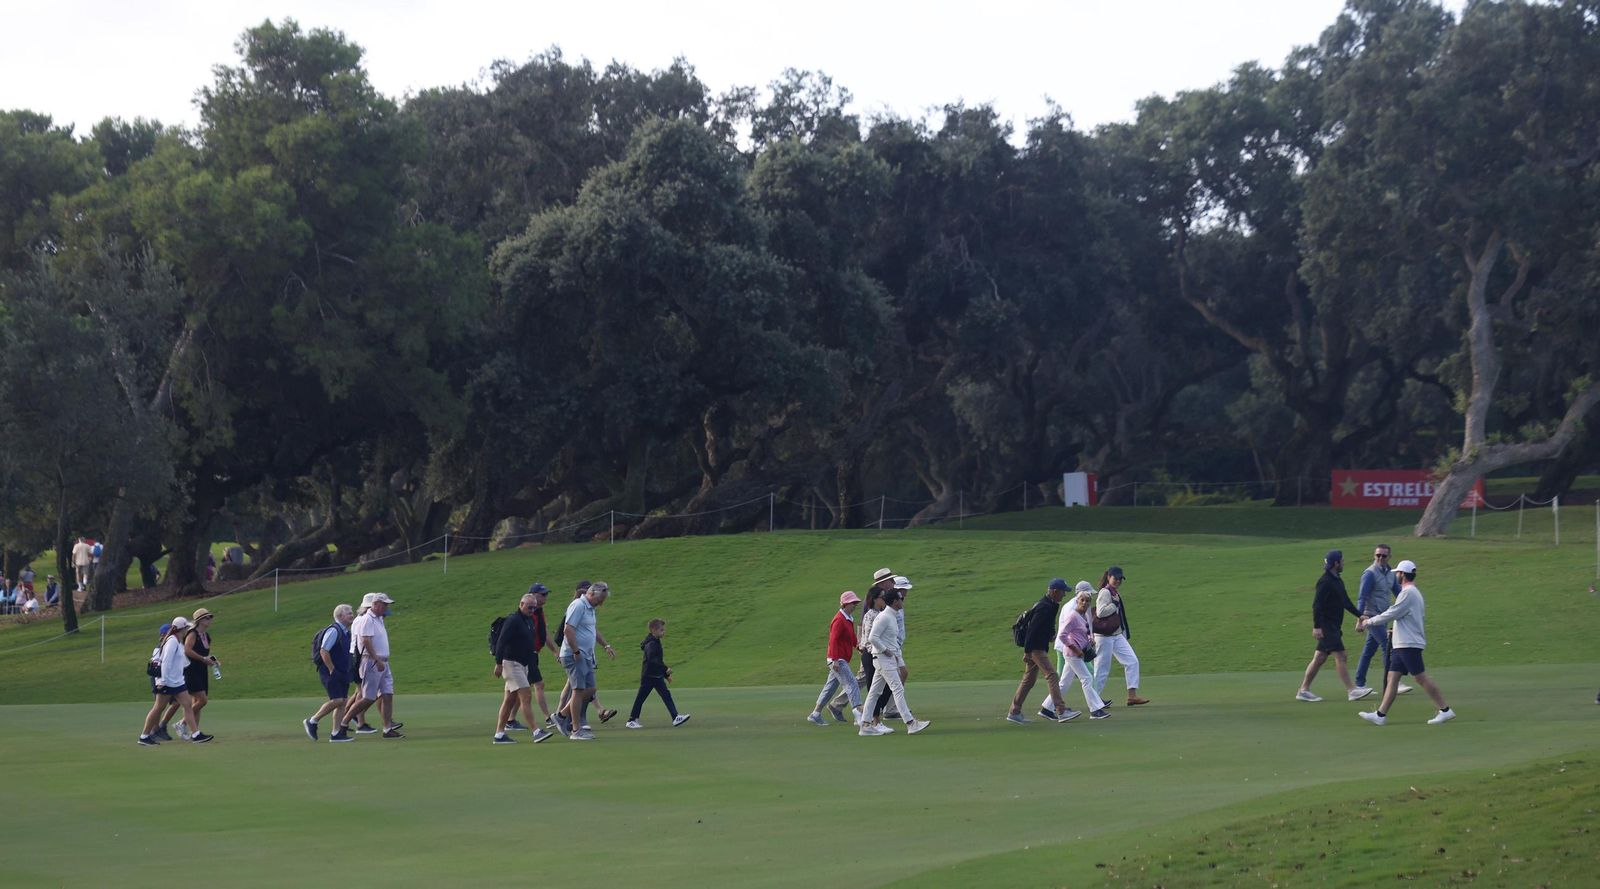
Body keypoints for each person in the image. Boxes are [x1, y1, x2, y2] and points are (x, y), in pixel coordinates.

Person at [1356, 560, 1455, 726]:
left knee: (1420, 678)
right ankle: (1380, 715)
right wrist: (1395, 631)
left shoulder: (1408, 593)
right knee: (1392, 677)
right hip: (1401, 642)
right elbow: (1406, 617)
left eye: (1398, 573)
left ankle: (1445, 710)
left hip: (1408, 643)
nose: (1396, 576)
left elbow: (1392, 613)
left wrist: (1369, 622)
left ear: (1402, 574)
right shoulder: (1411, 593)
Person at [1295, 550, 1371, 702]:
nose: (1344, 563)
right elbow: (1317, 605)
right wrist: (1317, 626)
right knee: (1341, 655)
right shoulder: (1325, 582)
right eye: (1342, 561)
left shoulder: (1337, 580)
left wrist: (1359, 615)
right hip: (1326, 625)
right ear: (1336, 563)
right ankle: (1351, 690)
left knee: (1320, 657)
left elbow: (1345, 601)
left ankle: (1303, 690)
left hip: (1334, 625)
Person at [491, 586, 557, 744]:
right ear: (521, 604)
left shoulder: (529, 619)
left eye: (534, 607)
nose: (532, 610)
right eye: (529, 607)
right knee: (526, 696)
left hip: (522, 664)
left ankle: (499, 735)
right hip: (511, 663)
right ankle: (536, 731)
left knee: (509, 700)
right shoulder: (513, 620)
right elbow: (501, 641)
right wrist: (498, 664)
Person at [859, 590, 929, 736]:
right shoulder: (884, 617)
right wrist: (886, 651)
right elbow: (872, 637)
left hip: (886, 659)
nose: (902, 600)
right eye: (900, 598)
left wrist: (897, 658)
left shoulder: (891, 616)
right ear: (895, 601)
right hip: (883, 659)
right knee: (897, 689)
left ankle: (865, 725)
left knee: (874, 692)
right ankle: (911, 723)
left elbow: (891, 640)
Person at [1007, 578, 1077, 724]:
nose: (1064, 595)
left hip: (1037, 646)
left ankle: (1014, 711)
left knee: (1029, 680)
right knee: (1052, 675)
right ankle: (1061, 710)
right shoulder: (1045, 607)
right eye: (1063, 591)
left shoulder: (1050, 605)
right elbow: (1032, 631)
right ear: (1054, 591)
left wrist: (1050, 634)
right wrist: (1027, 652)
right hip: (1035, 648)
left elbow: (1044, 626)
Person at [551, 580, 620, 729]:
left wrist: (606, 645)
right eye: (599, 600)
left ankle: (561, 716)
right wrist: (576, 651)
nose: (600, 604)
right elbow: (568, 630)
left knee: (591, 689)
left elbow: (592, 630)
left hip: (586, 656)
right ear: (590, 593)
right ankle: (576, 728)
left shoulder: (590, 608)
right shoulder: (578, 606)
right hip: (574, 655)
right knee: (578, 690)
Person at [139, 617, 213, 745]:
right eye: (186, 628)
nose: (187, 630)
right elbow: (166, 662)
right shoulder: (172, 641)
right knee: (158, 708)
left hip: (177, 682)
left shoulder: (178, 642)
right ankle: (144, 736)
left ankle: (196, 734)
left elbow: (181, 662)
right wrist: (164, 680)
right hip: (167, 682)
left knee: (188, 705)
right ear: (181, 629)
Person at [1041, 584, 1110, 720]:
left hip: (1077, 652)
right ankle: (1095, 710)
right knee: (1087, 678)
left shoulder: (1082, 615)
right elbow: (1062, 635)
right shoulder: (1072, 615)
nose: (1084, 603)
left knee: (1064, 682)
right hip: (1072, 653)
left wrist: (1090, 639)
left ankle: (1047, 708)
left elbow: (1082, 631)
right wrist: (1075, 649)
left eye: (1087, 601)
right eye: (1082, 600)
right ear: (1077, 601)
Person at [1354, 544, 1412, 696]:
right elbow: (1362, 597)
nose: (1380, 558)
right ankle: (1394, 682)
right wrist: (1360, 619)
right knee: (1388, 645)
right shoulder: (1369, 573)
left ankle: (1359, 685)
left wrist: (1409, 602)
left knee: (1369, 650)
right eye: (1377, 555)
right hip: (1371, 616)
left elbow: (1398, 592)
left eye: (1383, 556)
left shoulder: (1391, 574)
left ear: (1389, 557)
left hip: (1383, 616)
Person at [345, 592, 404, 738]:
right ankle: (344, 722)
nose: (386, 607)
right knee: (367, 697)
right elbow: (365, 641)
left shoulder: (379, 619)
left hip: (383, 662)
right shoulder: (366, 620)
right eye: (384, 604)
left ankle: (387, 728)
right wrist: (376, 659)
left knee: (387, 694)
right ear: (375, 604)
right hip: (370, 661)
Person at [1092, 566, 1148, 706]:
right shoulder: (1105, 592)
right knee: (1102, 670)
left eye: (1120, 579)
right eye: (1115, 578)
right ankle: (1094, 700)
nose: (1118, 581)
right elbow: (1100, 612)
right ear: (1109, 577)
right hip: (1104, 636)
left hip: (1115, 635)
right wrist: (1114, 604)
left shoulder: (1114, 592)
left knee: (1132, 661)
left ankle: (1132, 696)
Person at [808, 591, 864, 726]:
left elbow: (852, 639)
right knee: (852, 684)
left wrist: (860, 648)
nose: (855, 606)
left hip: (839, 659)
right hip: (838, 659)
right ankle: (858, 715)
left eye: (855, 603)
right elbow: (833, 640)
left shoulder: (848, 619)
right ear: (845, 604)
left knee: (830, 688)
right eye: (852, 603)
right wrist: (835, 659)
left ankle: (815, 714)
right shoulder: (839, 620)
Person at [305, 604, 356, 742]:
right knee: (337, 700)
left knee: (343, 702)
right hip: (330, 671)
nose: (352, 615)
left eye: (351, 613)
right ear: (340, 616)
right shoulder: (334, 631)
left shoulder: (346, 632)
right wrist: (332, 669)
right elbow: (324, 651)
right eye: (349, 613)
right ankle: (312, 721)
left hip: (342, 671)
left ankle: (336, 734)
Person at [626, 619, 690, 728]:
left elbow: (656, 661)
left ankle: (675, 717)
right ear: (653, 630)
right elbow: (652, 660)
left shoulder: (655, 641)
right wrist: (665, 669)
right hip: (649, 676)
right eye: (661, 630)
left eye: (663, 630)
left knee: (666, 695)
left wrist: (666, 675)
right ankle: (632, 720)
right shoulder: (651, 643)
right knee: (641, 697)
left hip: (656, 675)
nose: (663, 632)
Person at [182, 608, 222, 733]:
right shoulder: (192, 633)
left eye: (210, 617)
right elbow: (187, 650)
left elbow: (203, 654)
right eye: (207, 618)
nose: (209, 620)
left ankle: (195, 732)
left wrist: (212, 661)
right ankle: (182, 723)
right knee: (202, 700)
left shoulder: (206, 636)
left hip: (201, 670)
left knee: (197, 703)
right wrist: (203, 659)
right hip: (191, 670)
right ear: (199, 620)